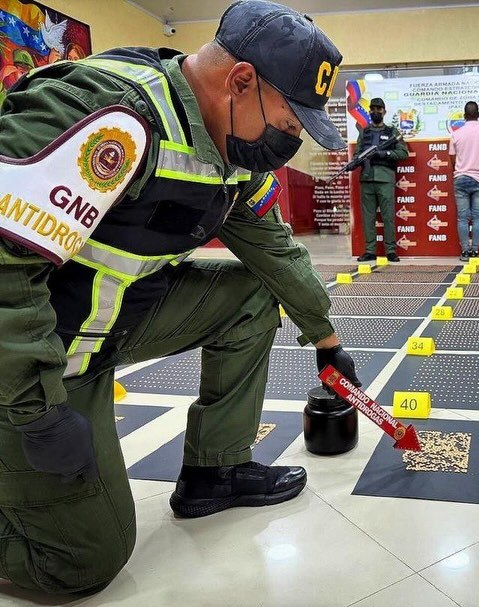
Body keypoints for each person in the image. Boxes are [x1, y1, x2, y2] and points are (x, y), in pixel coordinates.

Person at [0, 0, 361, 596]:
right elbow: (5, 268)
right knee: (80, 562)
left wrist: (326, 340)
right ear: (240, 81)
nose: (291, 139)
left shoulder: (230, 148)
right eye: (291, 121)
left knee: (251, 294)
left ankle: (215, 472)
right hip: (32, 357)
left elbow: (272, 248)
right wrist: (35, 410)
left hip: (106, 323)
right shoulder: (105, 116)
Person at [354, 97, 408, 262]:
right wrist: (356, 161)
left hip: (385, 179)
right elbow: (357, 154)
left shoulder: (392, 132)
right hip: (367, 179)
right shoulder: (364, 132)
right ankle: (370, 251)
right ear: (369, 111)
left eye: (379, 109)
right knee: (368, 217)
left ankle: (390, 250)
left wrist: (384, 153)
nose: (376, 111)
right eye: (373, 109)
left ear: (384, 111)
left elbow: (403, 153)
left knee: (388, 216)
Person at [449, 101, 479, 262]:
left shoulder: (456, 134)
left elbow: (452, 159)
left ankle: (465, 252)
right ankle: (475, 251)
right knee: (477, 217)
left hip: (461, 178)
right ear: (478, 115)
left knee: (462, 218)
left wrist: (462, 169)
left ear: (464, 116)